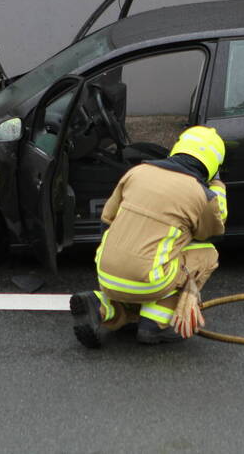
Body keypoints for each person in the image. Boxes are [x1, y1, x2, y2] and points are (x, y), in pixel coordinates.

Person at [69, 126, 228, 347]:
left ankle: (101, 306)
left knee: (138, 271)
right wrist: (217, 186)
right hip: (148, 280)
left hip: (105, 272)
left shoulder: (137, 172)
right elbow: (212, 232)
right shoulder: (201, 193)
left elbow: (107, 218)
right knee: (208, 254)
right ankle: (155, 322)